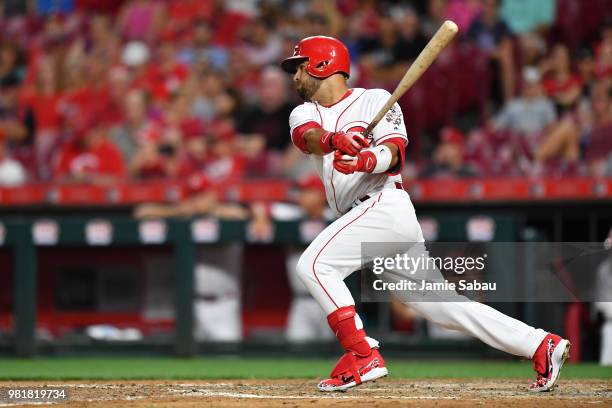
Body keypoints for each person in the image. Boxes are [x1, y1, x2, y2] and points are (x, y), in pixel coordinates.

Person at [281, 35, 570, 392]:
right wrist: (336, 141)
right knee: (442, 306)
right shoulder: (305, 110)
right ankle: (540, 344)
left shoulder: (375, 100)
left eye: (299, 67)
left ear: (321, 65)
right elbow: (306, 137)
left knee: (314, 265)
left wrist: (366, 159)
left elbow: (396, 153)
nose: (294, 76)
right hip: (368, 219)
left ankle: (361, 354)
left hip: (385, 206)